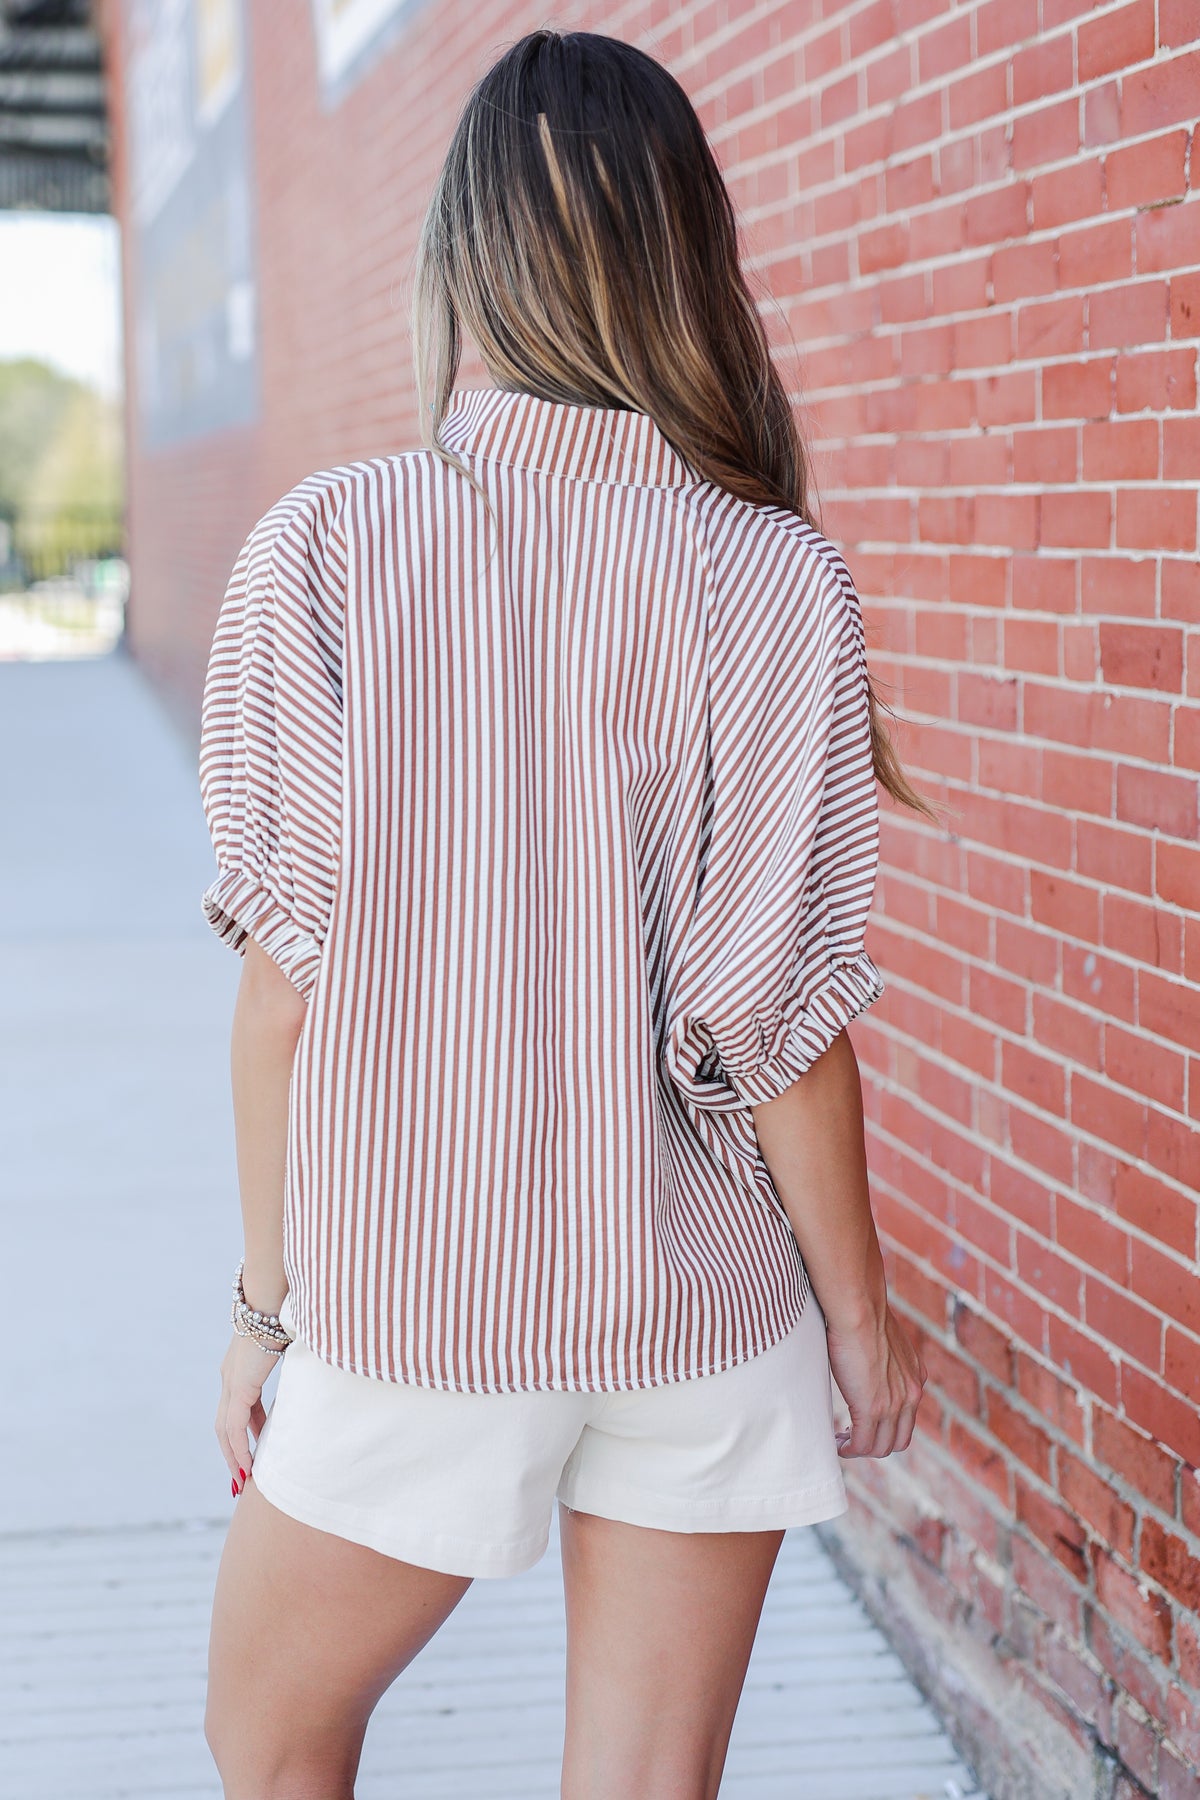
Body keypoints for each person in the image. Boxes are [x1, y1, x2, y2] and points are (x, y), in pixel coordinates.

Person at [199, 27, 930, 1800]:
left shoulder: (325, 553)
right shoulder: (778, 574)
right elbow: (782, 1026)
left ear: (467, 262)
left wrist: (264, 1311)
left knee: (272, 1742)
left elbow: (285, 997)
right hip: (703, 1310)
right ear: (691, 255)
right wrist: (859, 1317)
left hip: (425, 1307)